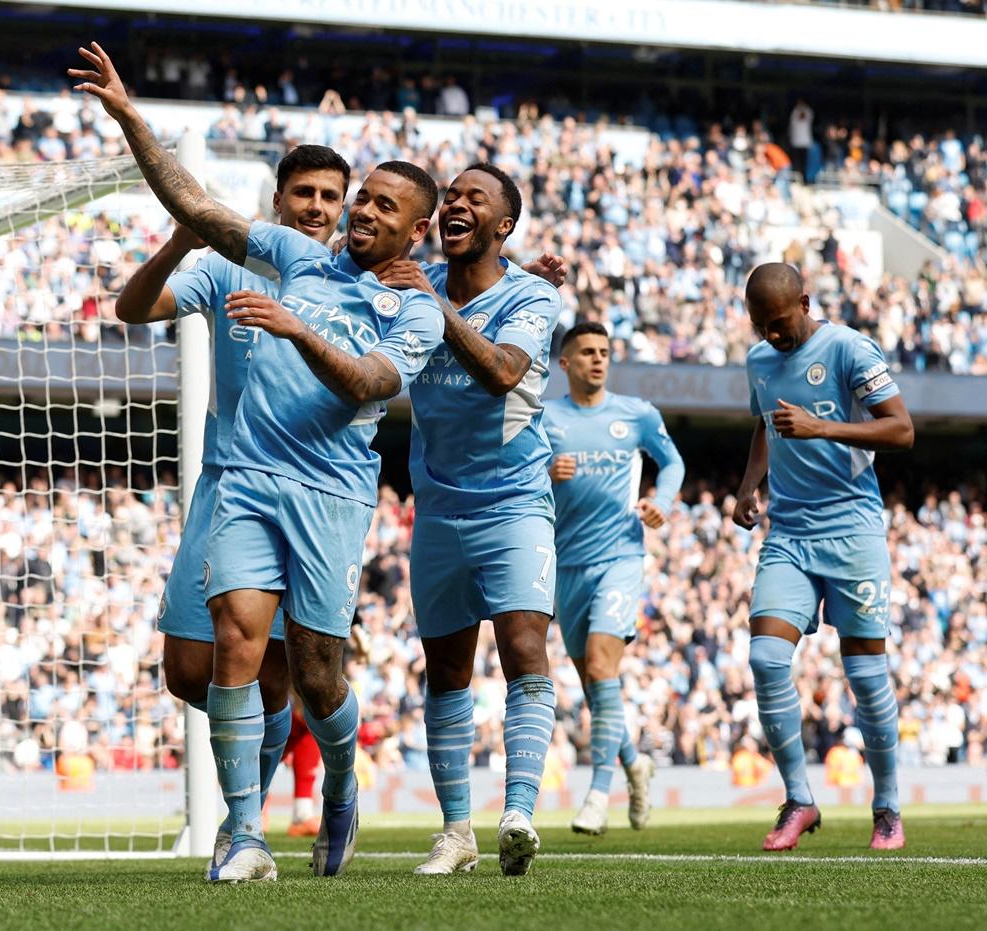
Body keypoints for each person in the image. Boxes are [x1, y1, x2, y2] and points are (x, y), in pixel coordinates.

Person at [71, 42, 444, 882]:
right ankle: (245, 836)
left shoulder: (414, 309)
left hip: (332, 497)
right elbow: (195, 203)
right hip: (241, 480)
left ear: (413, 229)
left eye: (380, 205)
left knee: (316, 677)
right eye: (361, 200)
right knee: (235, 642)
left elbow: (370, 384)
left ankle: (343, 780)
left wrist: (297, 328)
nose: (359, 213)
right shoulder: (293, 255)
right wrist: (131, 117)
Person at [113, 144, 352, 863]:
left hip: (312, 493)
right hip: (226, 483)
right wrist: (182, 239)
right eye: (303, 192)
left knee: (274, 670)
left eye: (330, 196)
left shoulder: (353, 278)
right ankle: (255, 795)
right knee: (190, 671)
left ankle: (245, 823)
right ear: (277, 200)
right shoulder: (226, 267)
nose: (316, 206)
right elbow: (132, 308)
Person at [377, 164, 563, 877]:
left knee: (523, 648)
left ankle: (518, 810)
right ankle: (457, 833)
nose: (454, 201)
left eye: (471, 198)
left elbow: (502, 372)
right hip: (439, 506)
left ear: (502, 227)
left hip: (515, 501)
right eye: (449, 194)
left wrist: (432, 302)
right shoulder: (407, 280)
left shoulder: (531, 296)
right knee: (447, 672)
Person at [734, 262, 913, 852]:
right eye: (762, 326)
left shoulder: (849, 349)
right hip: (788, 534)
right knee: (764, 658)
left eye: (781, 323)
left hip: (853, 530)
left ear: (805, 302)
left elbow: (902, 431)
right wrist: (749, 484)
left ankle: (886, 808)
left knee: (865, 676)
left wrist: (822, 429)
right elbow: (766, 424)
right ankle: (800, 800)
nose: (773, 337)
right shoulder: (760, 361)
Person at [543, 320, 684, 836]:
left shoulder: (637, 414)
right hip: (565, 565)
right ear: (566, 363)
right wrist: (543, 473)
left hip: (622, 557)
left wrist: (660, 502)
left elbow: (672, 464)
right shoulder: (545, 417)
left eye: (604, 352)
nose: (598, 360)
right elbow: (514, 473)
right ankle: (634, 763)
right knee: (596, 684)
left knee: (603, 665)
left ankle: (598, 796)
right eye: (587, 353)